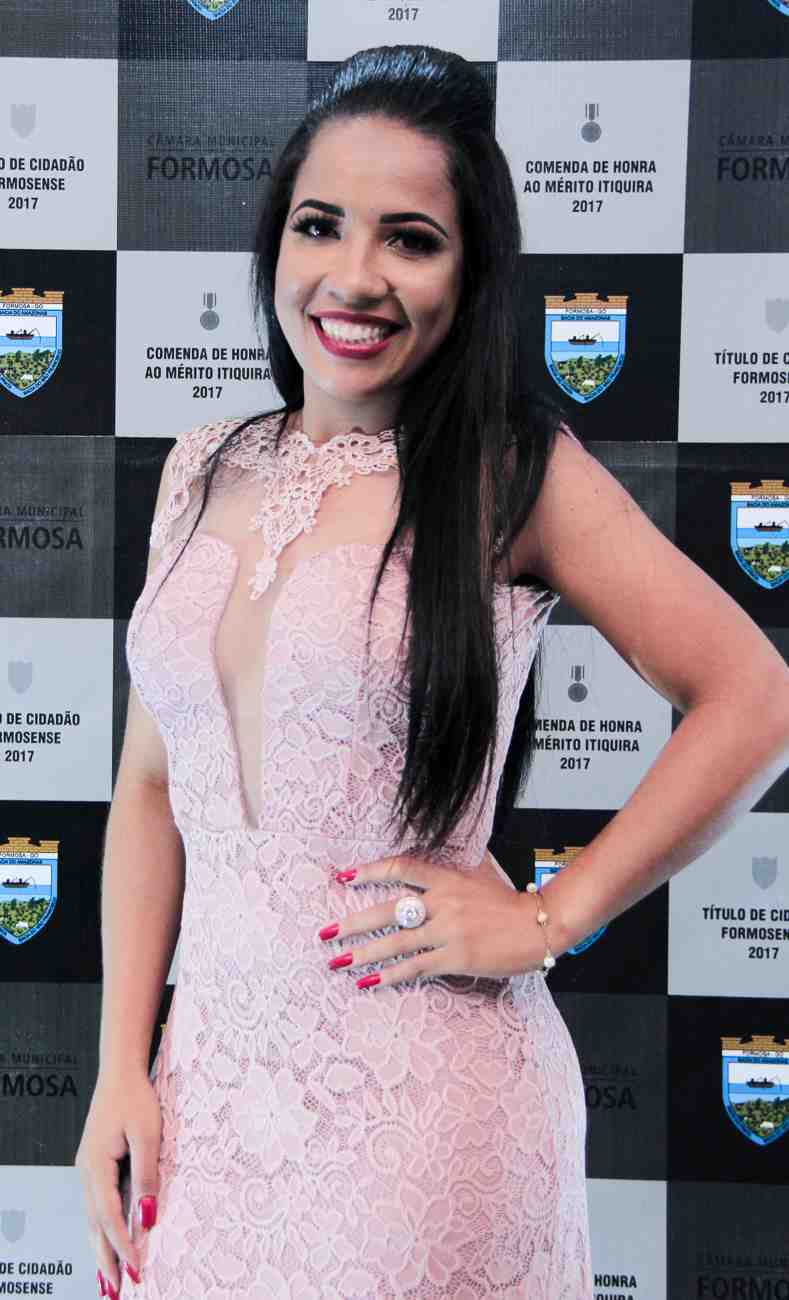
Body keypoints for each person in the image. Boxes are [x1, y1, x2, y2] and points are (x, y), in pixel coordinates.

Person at [75, 44, 789, 1300]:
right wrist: (118, 1069)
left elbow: (757, 696)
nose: (354, 277)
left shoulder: (512, 472)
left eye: (411, 239)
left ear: (472, 272)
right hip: (204, 1105)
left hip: (423, 1122)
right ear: (276, 241)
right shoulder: (201, 467)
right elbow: (148, 789)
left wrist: (549, 917)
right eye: (320, 225)